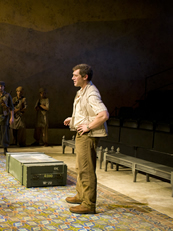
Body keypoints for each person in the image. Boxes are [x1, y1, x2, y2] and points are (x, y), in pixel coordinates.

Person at [63, 64, 109, 214]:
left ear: (85, 77)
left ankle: (89, 204)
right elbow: (84, 112)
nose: (72, 78)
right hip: (81, 133)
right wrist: (74, 119)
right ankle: (81, 195)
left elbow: (103, 115)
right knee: (80, 167)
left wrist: (88, 126)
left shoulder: (91, 93)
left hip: (88, 135)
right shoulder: (82, 91)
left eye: (75, 75)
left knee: (87, 169)